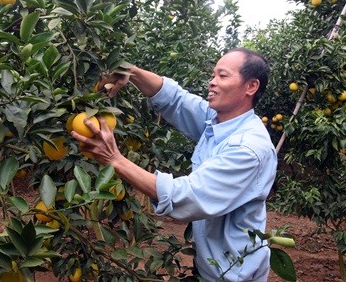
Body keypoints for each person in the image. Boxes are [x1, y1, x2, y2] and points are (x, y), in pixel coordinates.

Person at [71, 47, 278, 281]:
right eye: (212, 75)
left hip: (233, 275)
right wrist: (130, 70)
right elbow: (176, 100)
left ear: (251, 86)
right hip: (211, 266)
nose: (211, 82)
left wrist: (114, 159)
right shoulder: (219, 122)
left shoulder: (248, 149)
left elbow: (187, 196)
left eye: (222, 75)